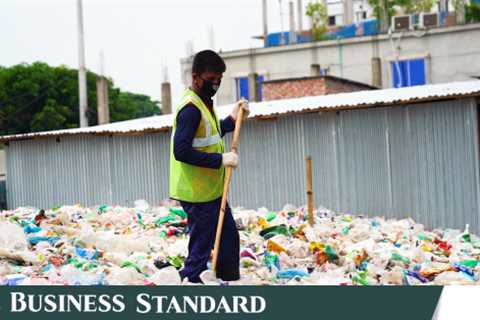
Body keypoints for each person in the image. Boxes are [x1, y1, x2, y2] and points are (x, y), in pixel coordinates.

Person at [169, 49, 249, 283]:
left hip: (211, 189)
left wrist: (233, 119)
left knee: (228, 239)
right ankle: (189, 282)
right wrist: (220, 160)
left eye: (219, 80)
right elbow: (181, 151)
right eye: (211, 79)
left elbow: (212, 133)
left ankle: (228, 281)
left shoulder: (205, 104)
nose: (215, 84)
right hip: (197, 192)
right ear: (195, 77)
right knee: (202, 246)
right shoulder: (191, 109)